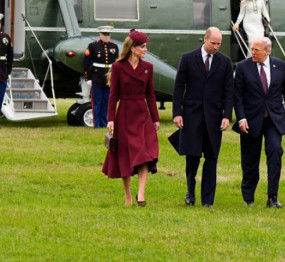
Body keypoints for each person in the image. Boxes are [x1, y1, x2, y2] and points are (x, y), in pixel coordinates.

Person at [233, 36, 285, 208]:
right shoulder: (243, 67)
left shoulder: (281, 66)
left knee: (275, 152)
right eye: (252, 49)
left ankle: (273, 197)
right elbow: (237, 96)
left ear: (267, 51)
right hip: (250, 120)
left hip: (273, 119)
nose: (253, 53)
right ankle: (248, 197)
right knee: (250, 160)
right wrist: (241, 118)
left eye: (256, 50)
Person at [172, 27, 234, 207]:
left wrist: (227, 116)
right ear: (205, 39)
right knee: (192, 157)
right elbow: (179, 87)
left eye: (219, 44)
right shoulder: (188, 58)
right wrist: (177, 113)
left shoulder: (224, 62)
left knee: (212, 157)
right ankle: (190, 190)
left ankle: (208, 199)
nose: (216, 47)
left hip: (214, 117)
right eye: (213, 43)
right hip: (192, 115)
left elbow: (229, 91)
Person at [102, 29, 160, 206]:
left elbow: (150, 95)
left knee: (145, 154)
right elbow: (113, 96)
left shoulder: (148, 67)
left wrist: (155, 118)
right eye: (142, 47)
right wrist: (111, 119)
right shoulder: (118, 67)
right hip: (124, 115)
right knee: (125, 156)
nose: (145, 50)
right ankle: (128, 195)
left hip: (142, 115)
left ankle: (141, 195)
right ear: (133, 48)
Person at [83, 25, 118, 128]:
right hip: (97, 76)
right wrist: (88, 78)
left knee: (107, 101)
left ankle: (104, 122)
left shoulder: (114, 46)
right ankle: (97, 123)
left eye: (108, 35)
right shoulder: (93, 46)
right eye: (104, 35)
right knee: (97, 101)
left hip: (109, 77)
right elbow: (86, 63)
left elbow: (117, 63)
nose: (107, 37)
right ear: (100, 35)